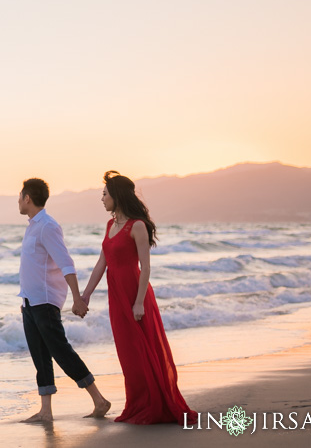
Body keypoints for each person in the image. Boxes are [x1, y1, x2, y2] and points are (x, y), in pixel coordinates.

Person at [80, 171, 198, 424]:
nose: (102, 199)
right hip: (116, 295)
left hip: (136, 294)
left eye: (104, 194)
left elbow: (145, 267)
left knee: (145, 349)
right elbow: (102, 263)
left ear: (117, 196)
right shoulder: (111, 225)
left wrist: (138, 302)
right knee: (127, 352)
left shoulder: (138, 226)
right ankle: (137, 402)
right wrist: (86, 295)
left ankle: (154, 403)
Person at [17, 178, 111, 422]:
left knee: (61, 352)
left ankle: (99, 400)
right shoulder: (33, 226)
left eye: (20, 196)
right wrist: (26, 298)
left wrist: (78, 298)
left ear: (28, 198)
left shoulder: (47, 226)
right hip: (31, 302)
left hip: (46, 303)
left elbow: (66, 262)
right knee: (40, 356)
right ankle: (46, 411)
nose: (18, 200)